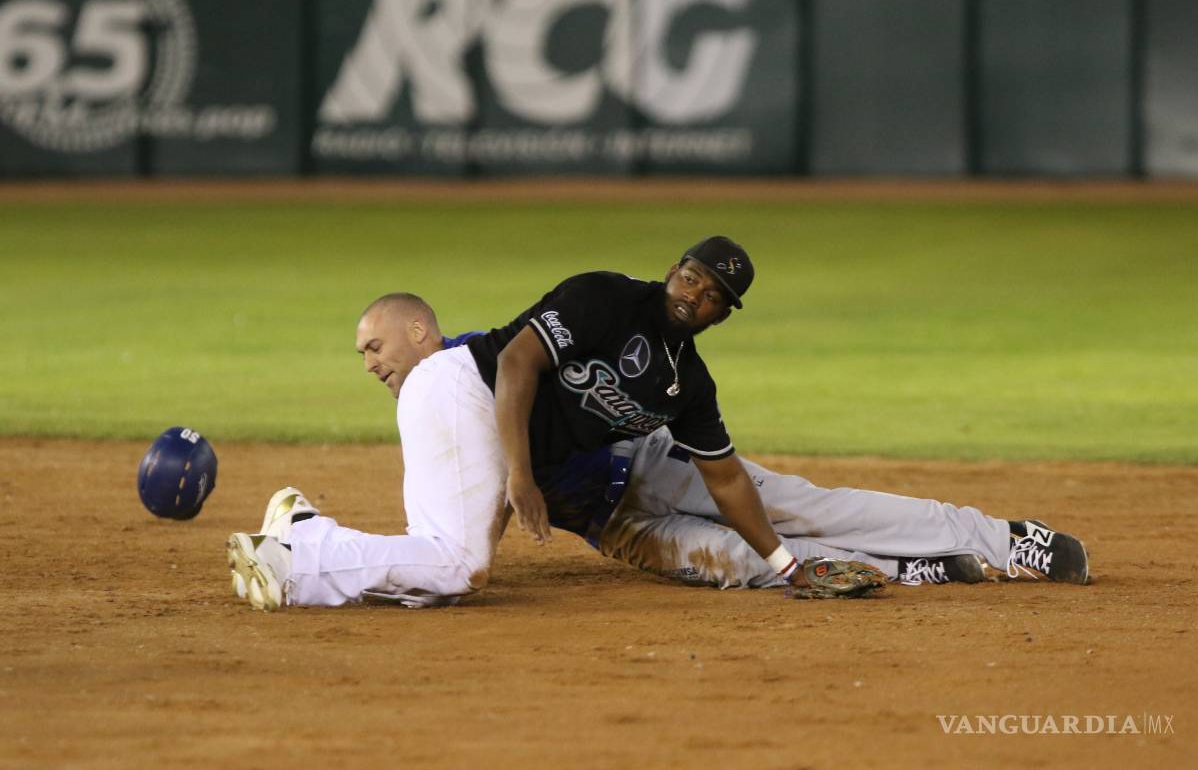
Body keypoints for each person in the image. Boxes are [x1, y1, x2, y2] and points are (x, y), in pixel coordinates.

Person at [226, 239, 1087, 611]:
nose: (694, 292)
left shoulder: (690, 383)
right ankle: (937, 567)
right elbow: (518, 366)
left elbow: (726, 480)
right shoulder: (604, 297)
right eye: (690, 273)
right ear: (673, 267)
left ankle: (1001, 542)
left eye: (713, 292)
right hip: (602, 514)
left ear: (722, 311)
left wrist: (785, 558)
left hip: (642, 466)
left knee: (796, 519)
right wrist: (520, 480)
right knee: (736, 570)